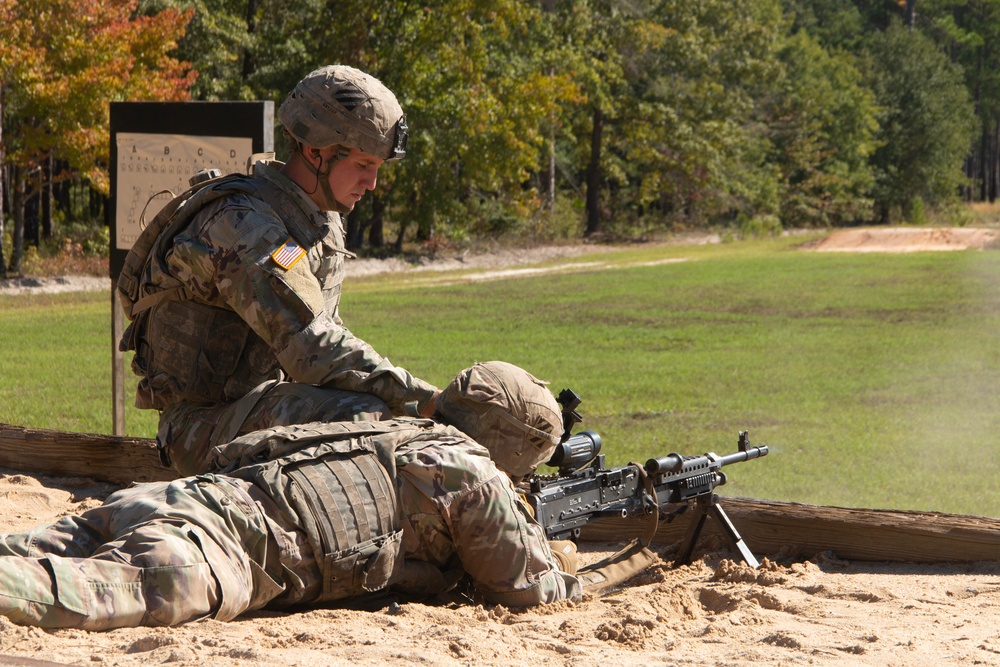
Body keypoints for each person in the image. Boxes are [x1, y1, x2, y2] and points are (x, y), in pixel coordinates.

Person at [0, 363, 585, 630]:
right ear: (515, 446)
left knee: (21, 547)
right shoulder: (468, 470)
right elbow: (527, 591)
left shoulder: (386, 428)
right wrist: (568, 565)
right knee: (64, 596)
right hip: (217, 550)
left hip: (178, 498)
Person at [118, 65, 437, 477]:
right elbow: (311, 348)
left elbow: (330, 347)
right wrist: (426, 398)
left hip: (263, 405)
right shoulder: (245, 226)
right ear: (316, 150)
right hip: (200, 430)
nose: (372, 182)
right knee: (362, 415)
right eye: (362, 164)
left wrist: (417, 407)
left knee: (393, 422)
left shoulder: (320, 220)